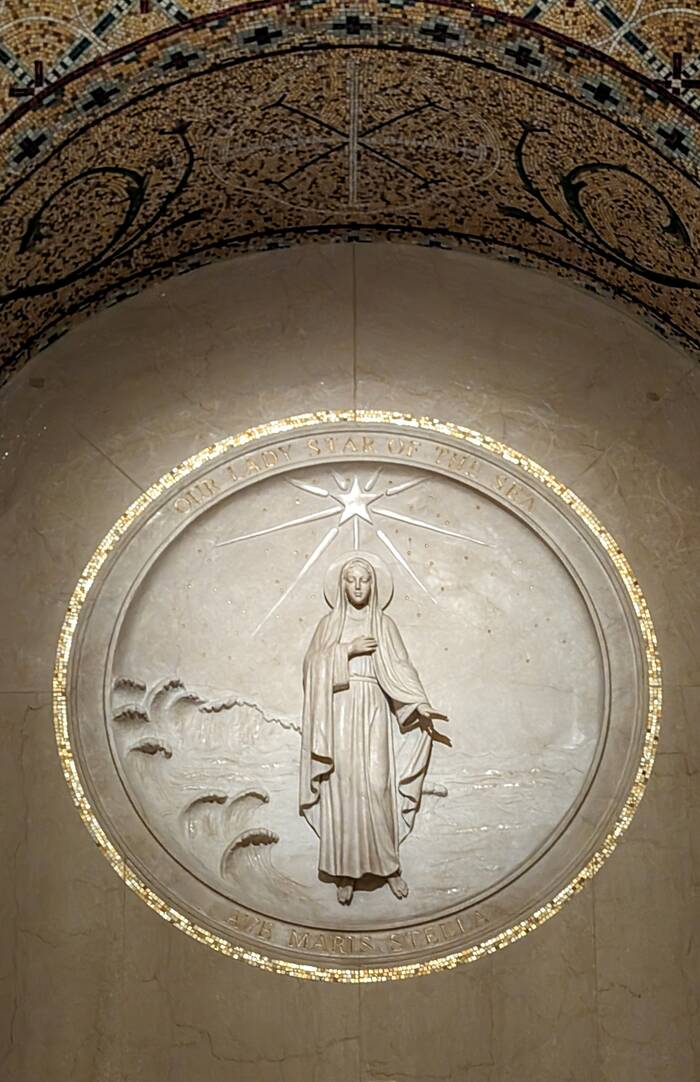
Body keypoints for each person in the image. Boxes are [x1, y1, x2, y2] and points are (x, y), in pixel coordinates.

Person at [299, 554, 447, 905]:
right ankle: (345, 871)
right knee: (344, 787)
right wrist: (346, 651)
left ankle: (389, 866)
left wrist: (419, 703)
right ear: (341, 585)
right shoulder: (329, 625)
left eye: (364, 580)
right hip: (338, 709)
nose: (357, 586)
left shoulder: (384, 625)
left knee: (377, 784)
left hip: (374, 706)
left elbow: (401, 667)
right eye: (351, 580)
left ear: (373, 584)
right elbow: (311, 668)